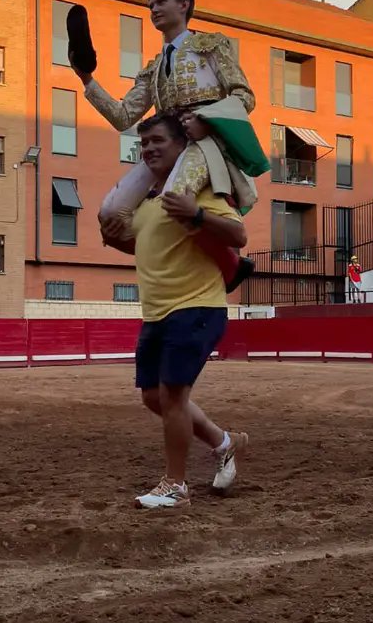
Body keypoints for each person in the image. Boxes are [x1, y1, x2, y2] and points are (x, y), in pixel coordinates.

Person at [79, 0, 266, 295]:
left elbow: (244, 95)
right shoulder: (153, 69)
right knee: (111, 213)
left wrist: (207, 122)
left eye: (160, 2)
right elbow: (123, 116)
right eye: (150, 5)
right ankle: (172, 257)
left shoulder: (211, 45)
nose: (153, 9)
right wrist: (86, 79)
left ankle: (230, 264)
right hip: (168, 145)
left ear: (184, 5)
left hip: (205, 144)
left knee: (174, 199)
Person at [99, 115, 249, 507]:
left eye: (158, 140)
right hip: (157, 313)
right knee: (153, 396)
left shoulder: (200, 192)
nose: (149, 148)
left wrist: (197, 213)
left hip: (196, 306)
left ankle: (175, 486)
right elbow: (150, 245)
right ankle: (224, 442)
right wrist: (114, 240)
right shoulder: (149, 203)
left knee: (172, 396)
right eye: (144, 143)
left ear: (182, 146)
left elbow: (239, 235)